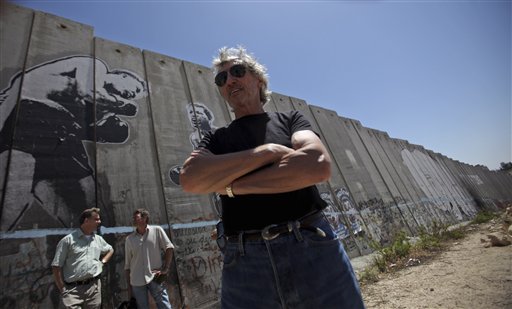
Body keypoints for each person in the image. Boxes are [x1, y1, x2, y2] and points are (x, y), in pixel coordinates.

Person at [180, 46, 366, 308]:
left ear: (259, 80)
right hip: (245, 262)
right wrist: (267, 153)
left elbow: (317, 165)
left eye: (237, 71)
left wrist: (233, 187)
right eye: (222, 79)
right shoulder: (217, 138)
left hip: (312, 246)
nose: (229, 80)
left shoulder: (290, 120)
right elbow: (190, 178)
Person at [51, 207, 114, 309]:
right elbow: (56, 266)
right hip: (73, 290)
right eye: (96, 219)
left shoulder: (98, 239)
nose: (99, 221)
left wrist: (102, 262)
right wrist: (63, 289)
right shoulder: (68, 241)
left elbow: (110, 250)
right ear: (86, 220)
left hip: (94, 289)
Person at [124, 208, 174, 309]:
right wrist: (129, 288)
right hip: (137, 280)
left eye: (136, 217)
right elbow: (128, 264)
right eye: (133, 218)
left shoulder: (157, 230)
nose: (133, 220)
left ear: (145, 218)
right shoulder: (129, 239)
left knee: (164, 305)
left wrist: (165, 268)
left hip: (155, 277)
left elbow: (169, 248)